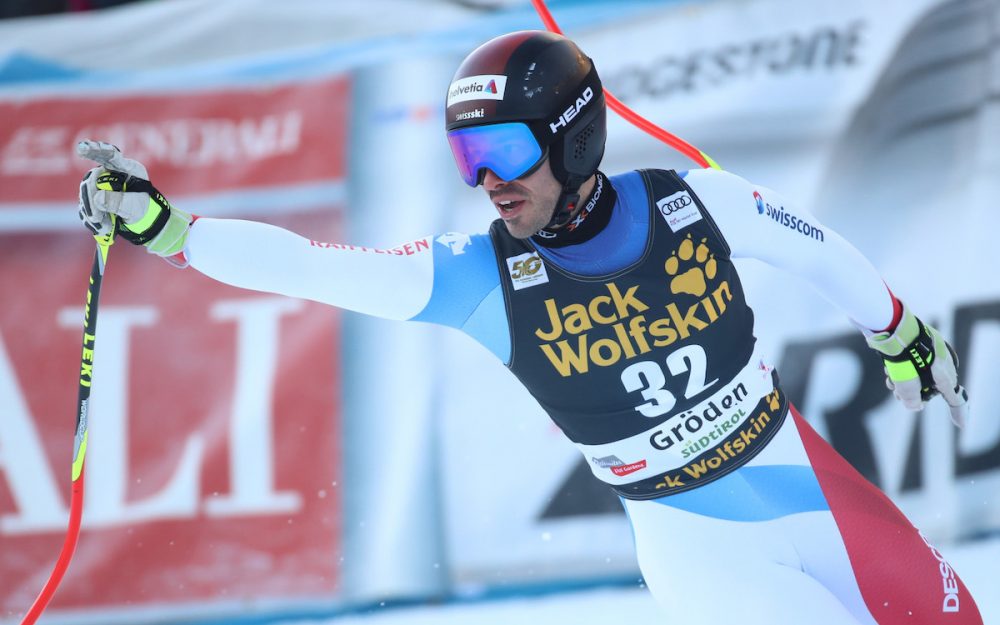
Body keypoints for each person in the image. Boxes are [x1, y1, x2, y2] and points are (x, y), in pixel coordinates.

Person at [76, 30, 981, 625]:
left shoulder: (688, 201)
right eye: (470, 158)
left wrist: (897, 329)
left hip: (808, 483)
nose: (489, 181)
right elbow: (318, 268)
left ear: (574, 139)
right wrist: (171, 231)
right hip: (706, 553)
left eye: (506, 151)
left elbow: (815, 249)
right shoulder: (477, 277)